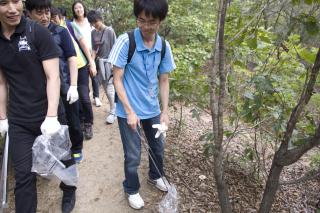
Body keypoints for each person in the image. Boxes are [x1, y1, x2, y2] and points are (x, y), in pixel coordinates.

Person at [0, 0, 75, 212]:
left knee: (63, 159)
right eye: (4, 3)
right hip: (19, 120)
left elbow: (53, 77)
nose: (12, 8)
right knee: (24, 177)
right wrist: (2, 117)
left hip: (48, 113)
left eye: (15, 1)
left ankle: (69, 190)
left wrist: (51, 116)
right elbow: (2, 82)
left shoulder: (37, 33)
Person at [108, 0, 176, 209]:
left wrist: (164, 111)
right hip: (128, 110)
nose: (146, 26)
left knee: (158, 147)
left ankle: (155, 176)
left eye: (152, 21)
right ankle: (131, 188)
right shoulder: (125, 41)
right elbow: (117, 79)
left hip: (152, 110)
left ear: (161, 20)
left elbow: (163, 80)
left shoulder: (163, 46)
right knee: (133, 154)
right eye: (141, 20)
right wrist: (129, 111)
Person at [26, 1, 84, 165]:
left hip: (64, 84)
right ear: (29, 13)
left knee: (72, 120)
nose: (45, 17)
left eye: (47, 12)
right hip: (40, 89)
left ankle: (76, 147)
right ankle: (56, 153)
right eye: (39, 13)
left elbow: (72, 58)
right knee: (54, 122)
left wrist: (73, 85)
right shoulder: (26, 35)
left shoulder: (60, 31)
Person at [52, 4, 96, 140]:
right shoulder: (49, 31)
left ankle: (88, 123)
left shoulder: (70, 26)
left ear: (60, 17)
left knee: (84, 96)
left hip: (80, 65)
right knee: (72, 99)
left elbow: (83, 44)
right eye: (51, 18)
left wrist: (92, 62)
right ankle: (80, 121)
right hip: (65, 71)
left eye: (54, 17)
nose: (52, 20)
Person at [87, 10, 117, 124]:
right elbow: (94, 49)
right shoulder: (93, 33)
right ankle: (114, 108)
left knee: (109, 89)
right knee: (105, 87)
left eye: (96, 22)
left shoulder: (110, 31)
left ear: (100, 19)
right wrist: (92, 62)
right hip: (99, 64)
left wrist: (114, 65)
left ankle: (113, 111)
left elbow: (115, 48)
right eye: (92, 23)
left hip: (109, 63)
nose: (95, 25)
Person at [72, 1, 102, 108]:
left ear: (84, 9)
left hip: (93, 50)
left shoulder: (89, 21)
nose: (78, 10)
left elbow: (97, 34)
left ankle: (96, 97)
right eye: (76, 8)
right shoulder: (72, 24)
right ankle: (87, 95)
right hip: (80, 53)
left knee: (94, 74)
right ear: (74, 11)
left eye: (80, 7)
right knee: (84, 75)